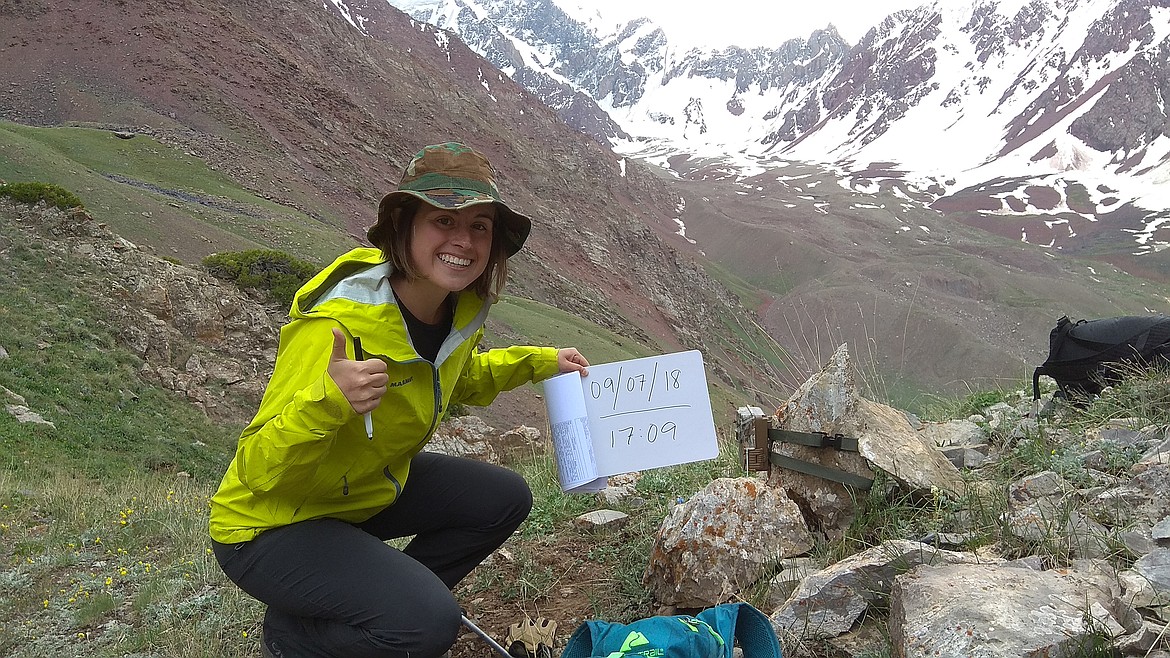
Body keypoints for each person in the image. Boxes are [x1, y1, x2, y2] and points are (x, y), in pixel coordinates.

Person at [208, 142, 590, 658]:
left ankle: (371, 605)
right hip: (271, 524)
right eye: (443, 221)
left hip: (355, 494)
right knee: (429, 623)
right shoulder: (339, 325)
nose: (464, 240)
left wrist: (541, 363)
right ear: (404, 226)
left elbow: (455, 378)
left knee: (502, 499)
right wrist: (329, 402)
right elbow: (258, 469)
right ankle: (298, 636)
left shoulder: (455, 307)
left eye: (480, 225)